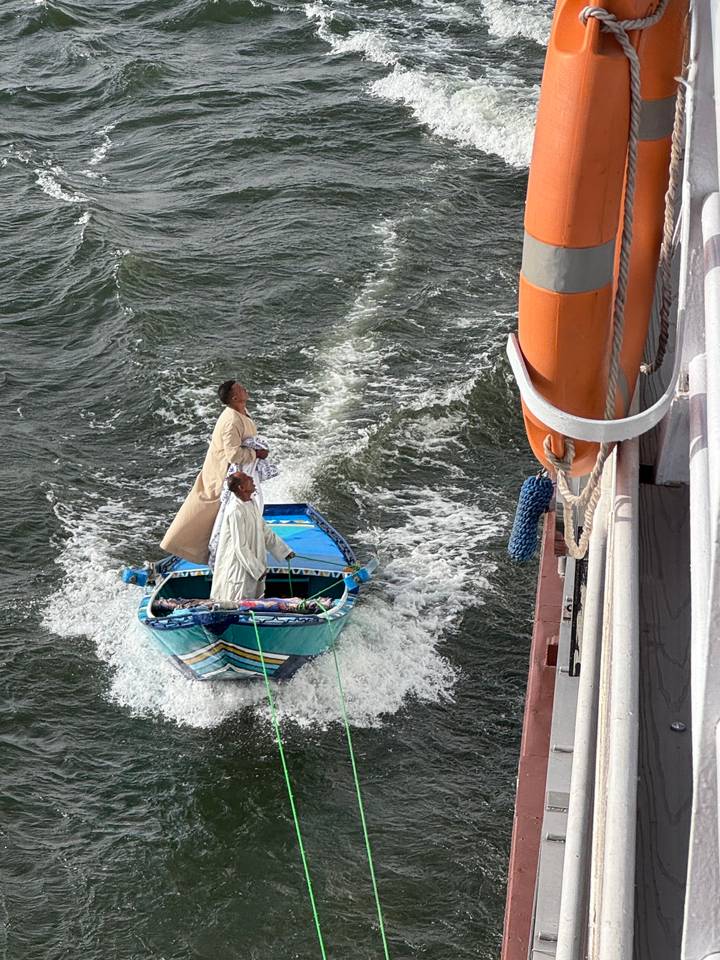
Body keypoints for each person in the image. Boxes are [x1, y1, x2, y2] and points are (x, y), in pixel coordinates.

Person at [160, 380, 269, 564]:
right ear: (234, 398)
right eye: (241, 389)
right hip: (222, 471)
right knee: (212, 510)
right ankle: (203, 551)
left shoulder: (241, 412)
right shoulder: (232, 421)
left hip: (234, 470)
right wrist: (256, 453)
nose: (245, 389)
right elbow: (233, 454)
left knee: (224, 510)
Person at [211, 472, 295, 604]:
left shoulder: (251, 502)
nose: (251, 478)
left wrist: (285, 551)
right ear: (241, 488)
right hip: (239, 565)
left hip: (253, 560)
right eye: (247, 479)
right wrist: (257, 569)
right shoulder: (235, 510)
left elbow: (264, 530)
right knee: (238, 599)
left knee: (254, 598)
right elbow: (240, 546)